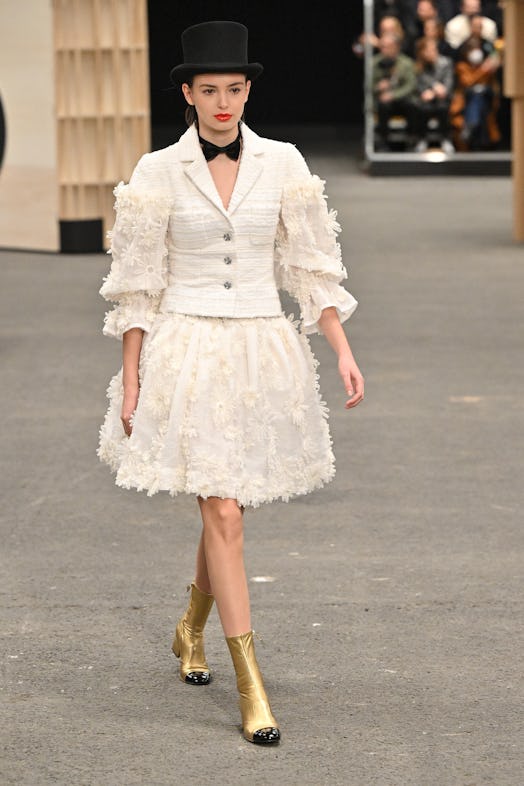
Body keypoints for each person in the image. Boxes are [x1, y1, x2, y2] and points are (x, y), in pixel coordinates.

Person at [97, 21, 364, 746]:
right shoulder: (157, 171)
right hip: (185, 349)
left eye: (235, 90)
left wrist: (340, 346)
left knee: (226, 507)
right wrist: (131, 375)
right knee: (224, 513)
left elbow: (310, 267)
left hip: (258, 351)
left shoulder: (283, 162)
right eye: (209, 90)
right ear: (186, 92)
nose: (223, 103)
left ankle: (189, 630)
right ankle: (253, 688)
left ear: (249, 90)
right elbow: (138, 285)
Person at [449, 16, 502, 150]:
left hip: (488, 92)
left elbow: (495, 65)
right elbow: (467, 82)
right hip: (468, 95)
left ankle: (471, 126)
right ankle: (475, 129)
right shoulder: (462, 64)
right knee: (477, 96)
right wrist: (484, 70)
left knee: (481, 92)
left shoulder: (488, 45)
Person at [371, 33, 417, 150]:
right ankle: (383, 141)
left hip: (401, 99)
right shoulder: (374, 63)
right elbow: (368, 85)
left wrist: (393, 95)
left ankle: (411, 140)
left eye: (387, 47)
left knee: (413, 105)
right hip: (383, 101)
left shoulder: (406, 63)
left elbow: (410, 85)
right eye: (382, 47)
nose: (383, 50)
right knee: (383, 106)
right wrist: (378, 87)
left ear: (396, 47)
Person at [411, 36, 455, 152]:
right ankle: (421, 140)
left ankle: (446, 140)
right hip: (425, 98)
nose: (433, 52)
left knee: (443, 107)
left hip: (442, 98)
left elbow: (448, 85)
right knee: (421, 107)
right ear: (422, 52)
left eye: (434, 49)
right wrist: (433, 87)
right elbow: (418, 85)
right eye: (429, 50)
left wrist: (435, 91)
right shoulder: (418, 66)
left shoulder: (446, 63)